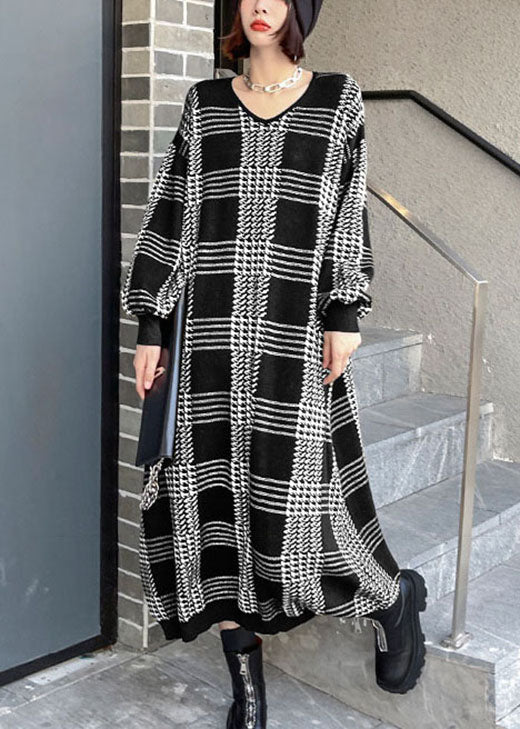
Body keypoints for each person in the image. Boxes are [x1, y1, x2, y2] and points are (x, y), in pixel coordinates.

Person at [121, 0, 428, 724]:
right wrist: (152, 322)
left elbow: (347, 210)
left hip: (293, 333)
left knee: (302, 504)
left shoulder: (337, 98)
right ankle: (247, 690)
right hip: (207, 340)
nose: (261, 5)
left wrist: (345, 310)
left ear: (299, 8)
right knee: (210, 511)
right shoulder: (204, 103)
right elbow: (172, 211)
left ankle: (391, 596)